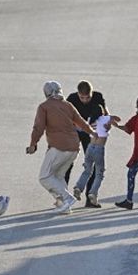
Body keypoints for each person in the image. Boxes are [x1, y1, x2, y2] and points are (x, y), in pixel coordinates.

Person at [27, 80, 95, 214]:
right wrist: (93, 133)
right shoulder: (68, 105)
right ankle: (65, 206)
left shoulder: (44, 107)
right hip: (74, 148)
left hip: (59, 147)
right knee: (58, 176)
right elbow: (81, 121)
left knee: (44, 177)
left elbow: (38, 128)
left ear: (46, 93)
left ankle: (67, 198)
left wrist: (32, 144)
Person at [72, 104, 119, 208]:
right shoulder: (105, 118)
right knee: (99, 174)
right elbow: (118, 119)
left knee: (87, 171)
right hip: (99, 148)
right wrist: (111, 119)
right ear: (102, 112)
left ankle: (78, 188)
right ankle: (93, 193)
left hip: (90, 147)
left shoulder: (90, 120)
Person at [63, 80, 106, 190]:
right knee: (68, 163)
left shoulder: (98, 97)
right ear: (78, 94)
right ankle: (63, 196)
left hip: (90, 133)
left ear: (91, 93)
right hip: (74, 132)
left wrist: (107, 122)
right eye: (82, 97)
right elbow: (64, 117)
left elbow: (104, 112)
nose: (85, 100)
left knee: (92, 163)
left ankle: (89, 196)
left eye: (88, 97)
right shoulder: (72, 99)